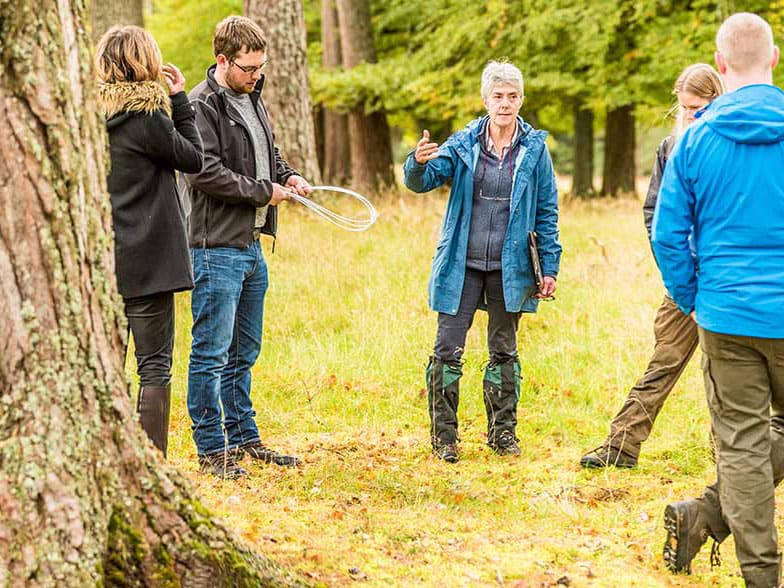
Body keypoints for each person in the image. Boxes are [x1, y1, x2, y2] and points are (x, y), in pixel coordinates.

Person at [653, 13, 784, 587]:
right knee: (749, 444)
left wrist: (693, 298)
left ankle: (753, 567)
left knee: (743, 443)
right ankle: (709, 519)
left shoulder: (696, 138)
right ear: (774, 58)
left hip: (726, 314)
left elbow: (667, 234)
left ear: (721, 63)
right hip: (743, 309)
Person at [403, 61, 561, 464]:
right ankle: (444, 439)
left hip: (511, 268)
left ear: (521, 99)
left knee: (504, 350)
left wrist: (550, 266)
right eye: (498, 96)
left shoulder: (535, 149)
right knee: (447, 349)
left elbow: (546, 211)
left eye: (512, 96)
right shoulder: (464, 142)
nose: (505, 104)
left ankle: (503, 435)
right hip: (463, 263)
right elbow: (424, 180)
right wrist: (417, 162)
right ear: (485, 99)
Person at [182, 16, 311, 479]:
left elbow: (266, 155)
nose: (256, 75)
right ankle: (212, 448)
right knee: (211, 352)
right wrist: (264, 191)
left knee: (244, 351)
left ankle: (243, 436)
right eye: (248, 67)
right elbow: (205, 172)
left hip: (252, 246)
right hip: (215, 246)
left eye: (261, 66)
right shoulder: (200, 107)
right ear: (223, 60)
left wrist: (287, 174)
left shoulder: (253, 97)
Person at [580, 64, 725, 469]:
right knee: (663, 362)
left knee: (727, 374)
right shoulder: (671, 147)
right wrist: (676, 274)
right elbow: (656, 215)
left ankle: (728, 456)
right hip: (684, 282)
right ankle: (620, 446)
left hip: (725, 280)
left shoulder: (730, 148)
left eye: (698, 108)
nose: (690, 116)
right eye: (684, 109)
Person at [95, 26, 204, 458]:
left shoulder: (85, 121)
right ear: (147, 63)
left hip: (102, 261)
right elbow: (193, 159)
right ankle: (149, 462)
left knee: (104, 362)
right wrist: (180, 101)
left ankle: (103, 454)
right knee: (154, 364)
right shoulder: (148, 118)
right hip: (153, 263)